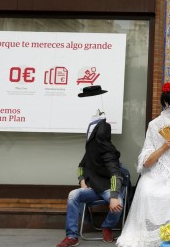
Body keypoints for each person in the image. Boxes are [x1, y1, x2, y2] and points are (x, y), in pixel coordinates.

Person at [116, 82, 170, 247]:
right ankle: (147, 233)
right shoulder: (154, 125)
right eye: (169, 103)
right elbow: (146, 163)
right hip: (154, 174)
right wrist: (163, 147)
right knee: (146, 190)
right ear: (164, 102)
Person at [57, 85, 124, 247]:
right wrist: (82, 180)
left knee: (119, 205)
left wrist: (114, 197)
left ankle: (107, 226)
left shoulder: (105, 148)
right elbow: (81, 165)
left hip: (108, 187)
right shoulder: (91, 147)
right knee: (74, 195)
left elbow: (116, 173)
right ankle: (72, 236)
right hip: (92, 188)